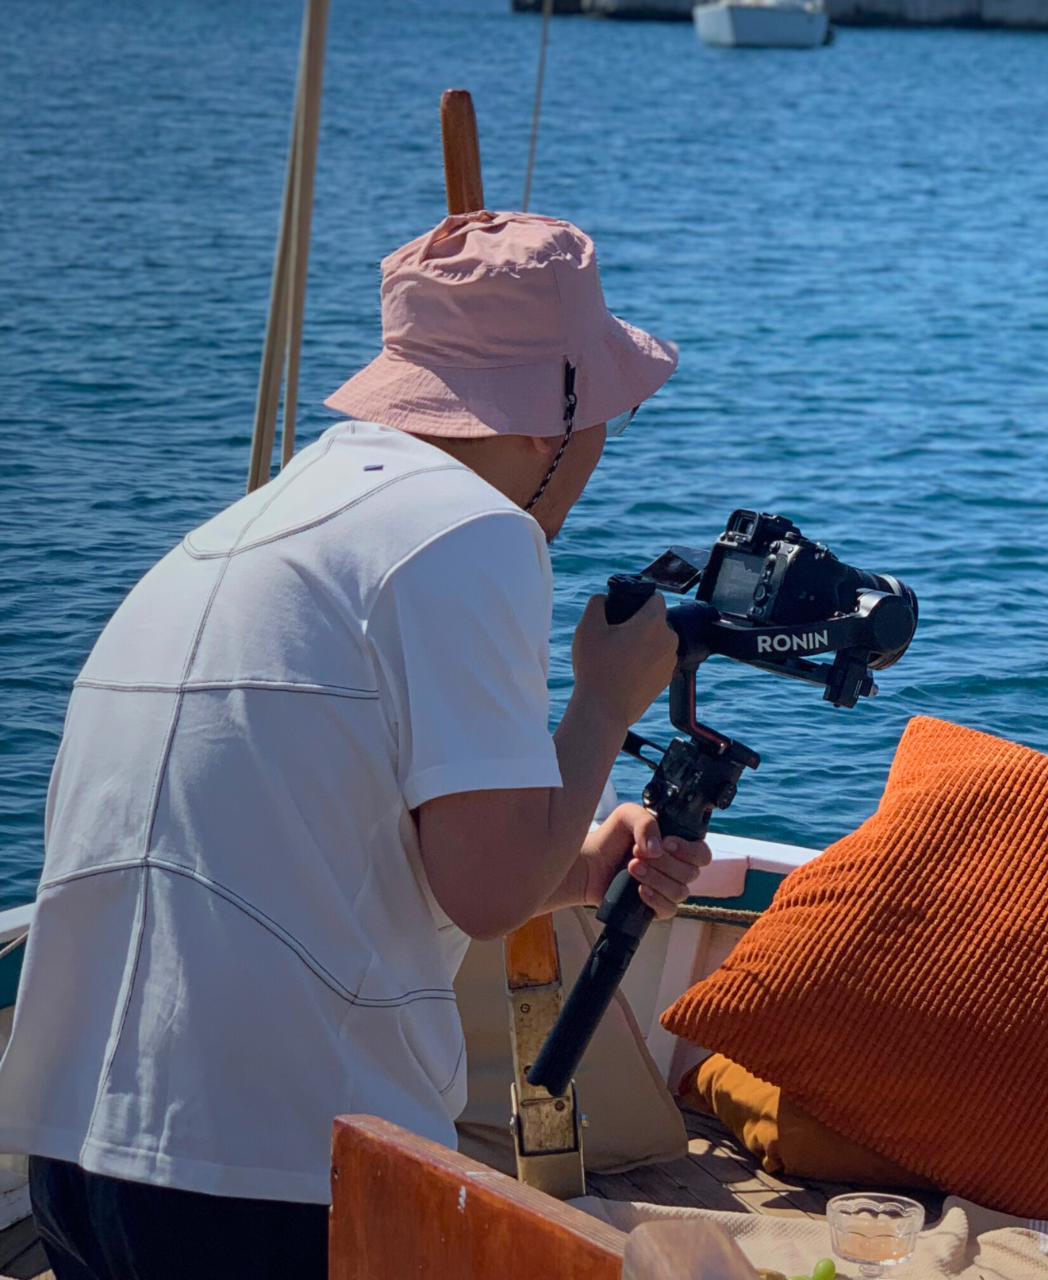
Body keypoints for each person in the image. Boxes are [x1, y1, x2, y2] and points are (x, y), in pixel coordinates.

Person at [0, 211, 710, 1279]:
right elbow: (481, 891)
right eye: (604, 410)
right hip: (275, 1176)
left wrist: (579, 866)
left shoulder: (246, 530)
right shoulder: (474, 532)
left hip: (75, 1152)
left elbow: (315, 844)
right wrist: (606, 699)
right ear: (549, 417)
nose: (603, 446)